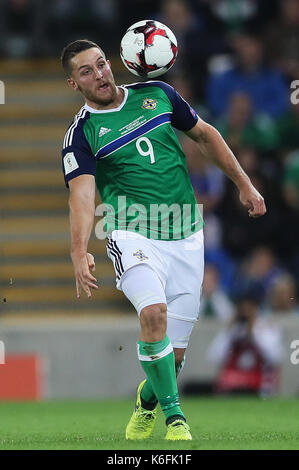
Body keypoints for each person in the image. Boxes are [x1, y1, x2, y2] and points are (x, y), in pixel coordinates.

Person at [60, 39, 266, 441]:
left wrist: (244, 184)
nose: (99, 74)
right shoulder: (81, 135)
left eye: (101, 64)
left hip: (187, 234)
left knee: (174, 358)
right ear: (74, 84)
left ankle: (147, 400)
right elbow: (82, 196)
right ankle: (175, 417)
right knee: (153, 314)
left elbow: (206, 136)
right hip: (132, 231)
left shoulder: (158, 94)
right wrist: (78, 249)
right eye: (86, 71)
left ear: (113, 63)